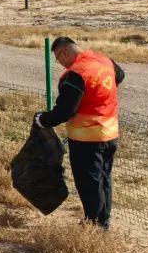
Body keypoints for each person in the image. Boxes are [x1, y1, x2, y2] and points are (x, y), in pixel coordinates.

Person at [36, 36, 125, 229]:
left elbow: (65, 110)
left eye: (58, 58)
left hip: (87, 138)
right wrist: (99, 96)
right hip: (110, 133)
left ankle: (94, 226)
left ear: (65, 52)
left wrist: (42, 120)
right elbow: (119, 75)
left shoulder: (77, 73)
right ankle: (103, 221)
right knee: (103, 179)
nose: (60, 63)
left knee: (89, 183)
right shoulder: (103, 60)